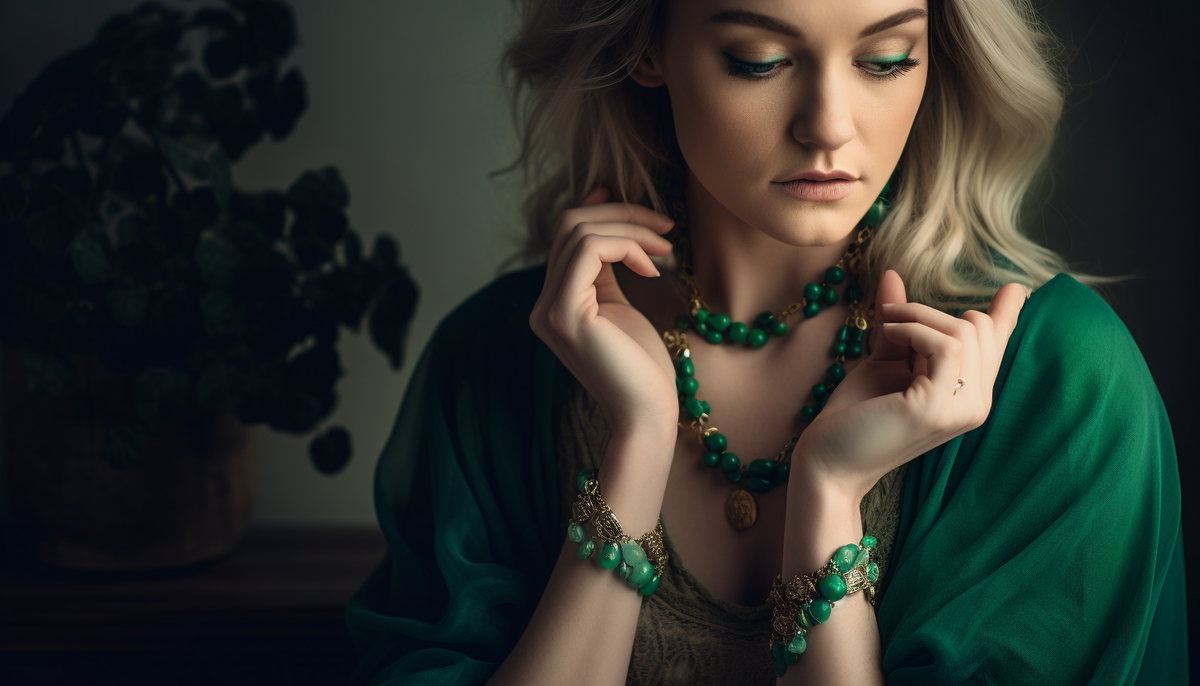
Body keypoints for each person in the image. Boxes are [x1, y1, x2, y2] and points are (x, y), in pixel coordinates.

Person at [344, 0, 1188, 683]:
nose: (829, 125)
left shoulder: (1062, 381)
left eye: (887, 57)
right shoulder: (497, 360)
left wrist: (828, 499)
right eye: (759, 57)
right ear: (649, 46)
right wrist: (636, 446)